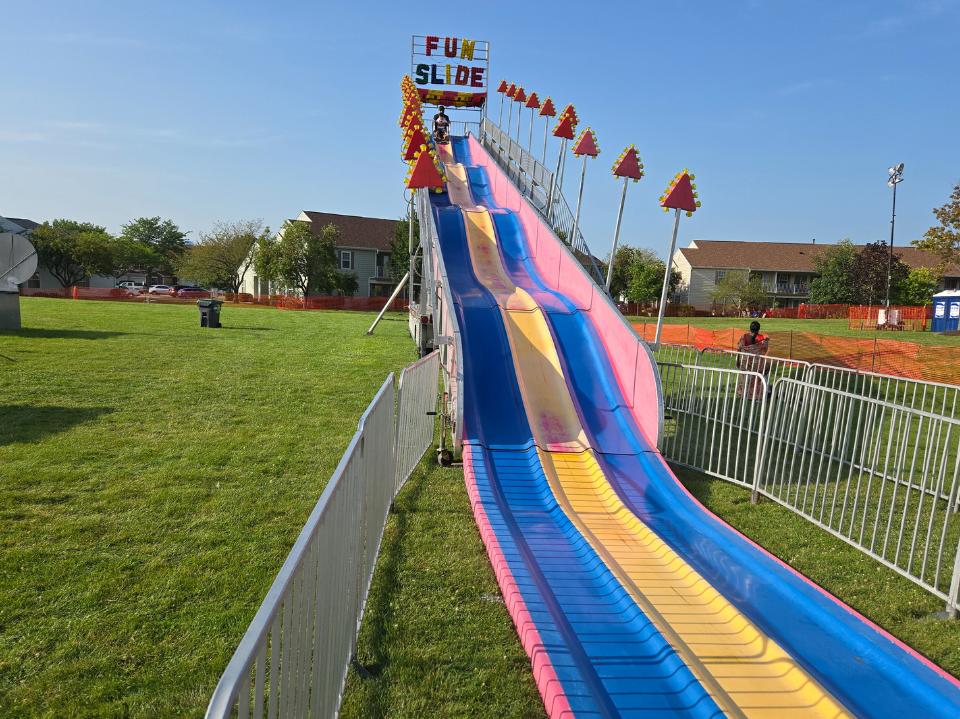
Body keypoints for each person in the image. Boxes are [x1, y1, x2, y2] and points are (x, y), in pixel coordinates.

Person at [736, 320, 769, 399]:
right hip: (757, 363)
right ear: (758, 329)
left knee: (745, 377)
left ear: (750, 328)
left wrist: (738, 360)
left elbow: (739, 349)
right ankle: (759, 393)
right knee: (763, 373)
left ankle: (743, 392)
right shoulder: (761, 338)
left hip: (745, 362)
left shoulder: (744, 337)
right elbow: (764, 349)